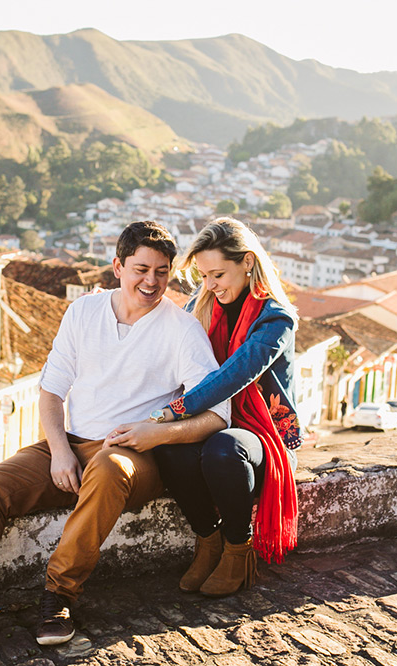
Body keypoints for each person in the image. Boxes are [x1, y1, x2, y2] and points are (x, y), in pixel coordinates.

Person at [0, 221, 229, 659]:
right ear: (117, 266)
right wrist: (59, 451)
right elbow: (52, 389)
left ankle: (59, 596)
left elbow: (216, 414)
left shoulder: (182, 330)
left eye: (161, 271)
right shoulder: (83, 313)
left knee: (109, 466)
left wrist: (157, 434)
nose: (151, 281)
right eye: (140, 269)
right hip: (72, 442)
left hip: (135, 454)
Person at [111, 217, 300, 598]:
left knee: (223, 449)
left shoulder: (276, 319)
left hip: (263, 436)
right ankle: (207, 540)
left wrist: (171, 412)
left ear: (247, 262)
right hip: (214, 418)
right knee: (168, 446)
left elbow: (235, 374)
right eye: (204, 275)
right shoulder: (203, 302)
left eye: (218, 274)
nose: (210, 285)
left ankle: (236, 549)